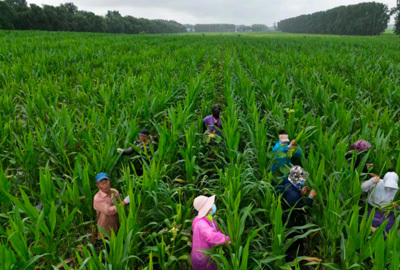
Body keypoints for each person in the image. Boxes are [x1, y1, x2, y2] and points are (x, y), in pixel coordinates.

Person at [191, 195, 230, 270]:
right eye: (209, 205)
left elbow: (215, 230)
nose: (212, 206)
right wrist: (226, 240)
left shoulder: (207, 217)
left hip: (202, 254)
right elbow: (212, 236)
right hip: (203, 259)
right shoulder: (201, 224)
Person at [361, 168, 399, 237]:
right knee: (369, 234)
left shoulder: (397, 191)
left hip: (388, 215)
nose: (389, 188)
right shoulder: (377, 183)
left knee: (386, 235)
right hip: (373, 211)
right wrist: (372, 181)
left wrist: (397, 206)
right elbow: (362, 188)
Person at [93, 173, 129, 240]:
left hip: (118, 226)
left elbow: (119, 203)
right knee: (110, 248)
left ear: (109, 181)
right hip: (106, 230)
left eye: (106, 182)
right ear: (97, 185)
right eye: (102, 183)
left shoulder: (114, 191)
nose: (105, 185)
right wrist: (124, 202)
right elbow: (108, 211)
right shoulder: (98, 198)